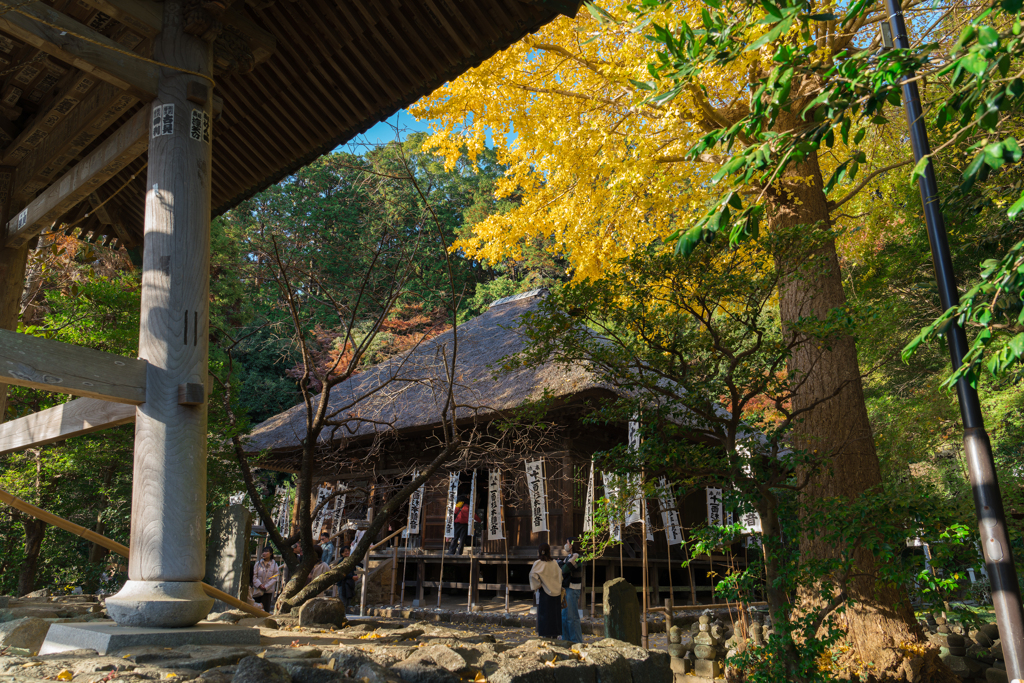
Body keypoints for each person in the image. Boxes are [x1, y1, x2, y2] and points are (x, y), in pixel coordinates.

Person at [529, 543, 563, 638]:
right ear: (549, 551)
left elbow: (532, 575)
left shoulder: (538, 563)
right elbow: (560, 575)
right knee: (555, 615)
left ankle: (546, 636)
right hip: (556, 592)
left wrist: (539, 585)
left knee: (545, 615)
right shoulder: (554, 563)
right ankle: (555, 635)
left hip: (545, 592)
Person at [559, 539, 584, 643]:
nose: (566, 544)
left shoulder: (577, 556)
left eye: (567, 542)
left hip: (573, 588)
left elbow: (564, 569)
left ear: (572, 545)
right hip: (566, 588)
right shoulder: (569, 557)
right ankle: (566, 640)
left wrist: (560, 563)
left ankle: (576, 641)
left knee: (572, 617)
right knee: (564, 616)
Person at [252, 547, 279, 613]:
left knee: (266, 610)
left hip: (267, 591)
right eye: (263, 551)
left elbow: (275, 577)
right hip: (257, 591)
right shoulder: (258, 564)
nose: (264, 553)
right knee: (255, 609)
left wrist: (266, 587)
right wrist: (260, 585)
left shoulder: (275, 565)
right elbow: (254, 576)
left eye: (266, 551)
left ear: (271, 553)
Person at [336, 546, 362, 612]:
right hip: (342, 584)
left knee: (348, 603)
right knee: (343, 602)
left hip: (349, 584)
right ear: (342, 553)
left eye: (348, 551)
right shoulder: (341, 562)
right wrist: (351, 577)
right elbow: (341, 573)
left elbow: (360, 565)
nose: (347, 552)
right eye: (345, 551)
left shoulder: (351, 561)